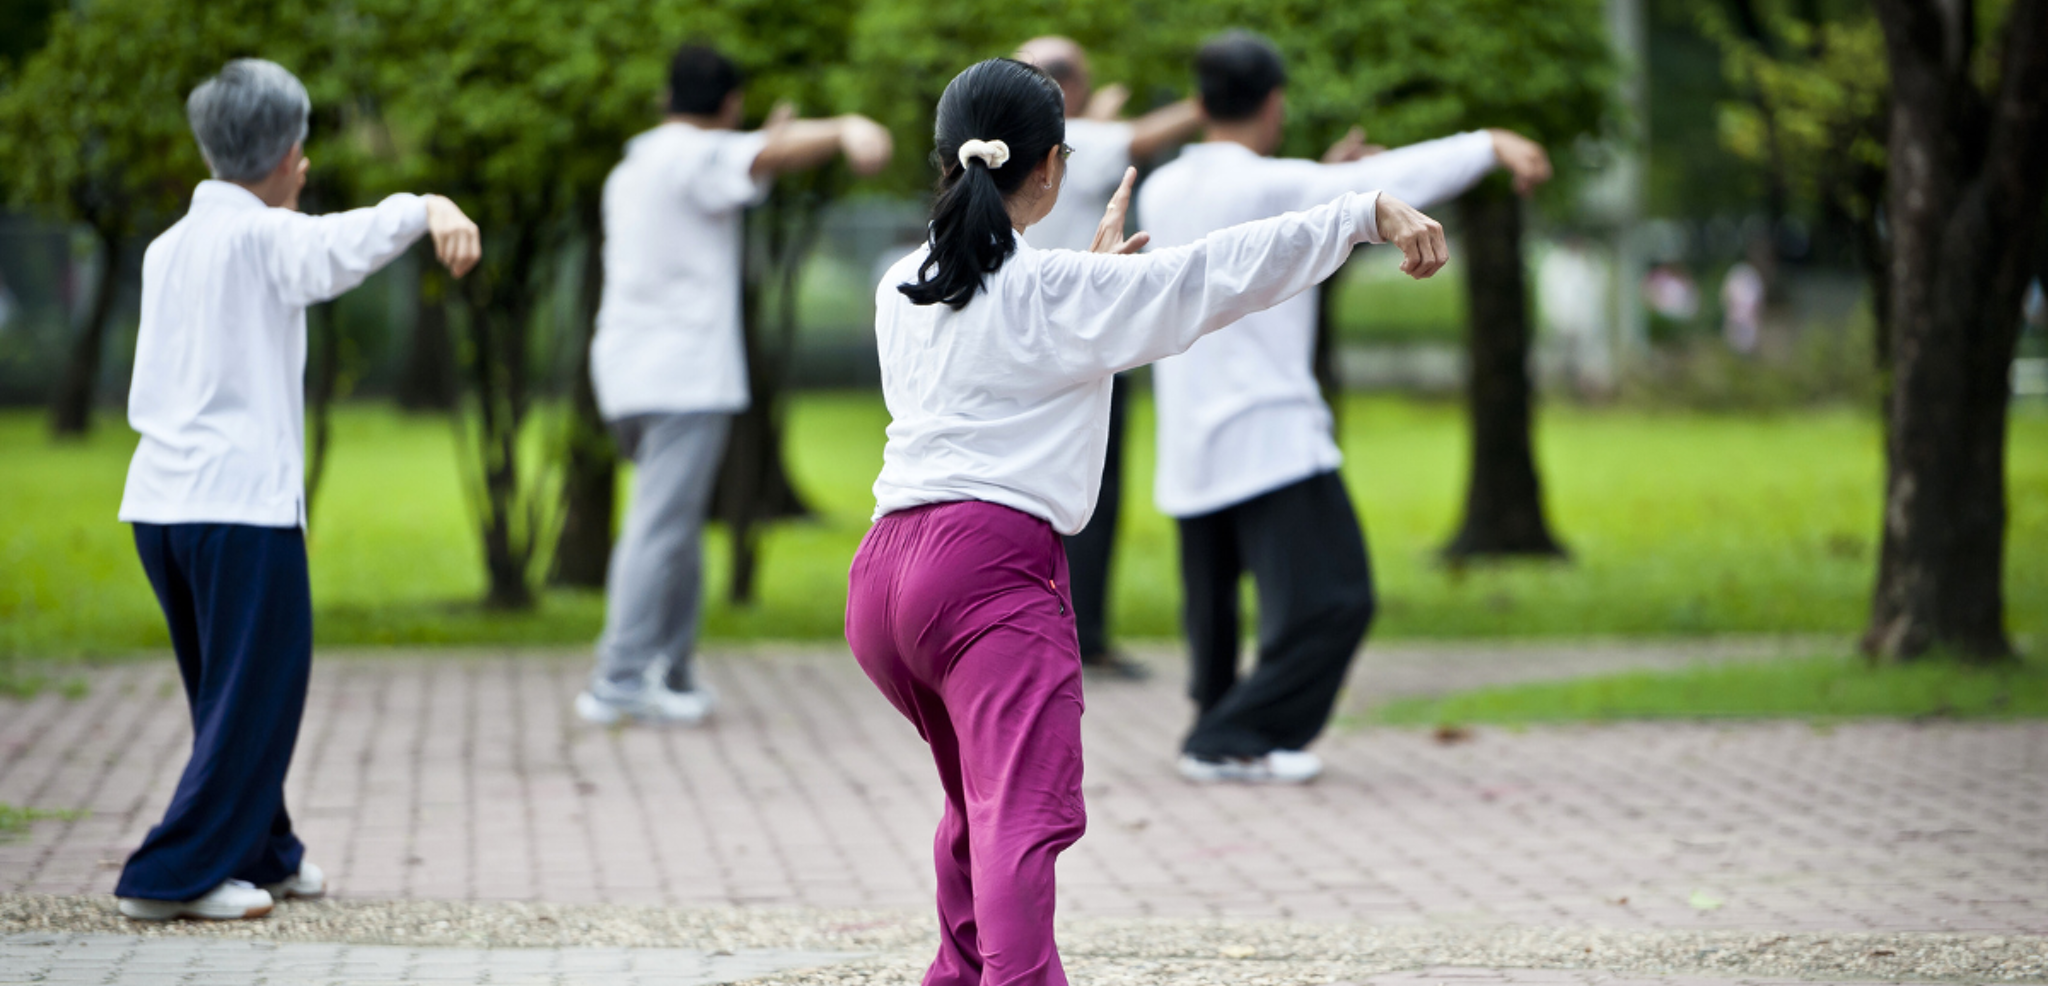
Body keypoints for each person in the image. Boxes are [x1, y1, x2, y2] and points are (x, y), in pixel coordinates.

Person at [847, 57, 1447, 986]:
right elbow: (1217, 276)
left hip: (884, 580)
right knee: (1018, 817)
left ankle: (957, 975)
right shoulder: (1061, 295)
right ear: (1050, 169)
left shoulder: (901, 286)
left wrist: (1093, 284)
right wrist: (1362, 212)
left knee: (974, 804)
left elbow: (1008, 338)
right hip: (986, 576)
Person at [114, 58, 481, 921]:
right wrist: (428, 207)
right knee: (257, 691)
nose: (307, 163)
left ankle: (265, 852)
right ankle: (170, 877)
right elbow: (335, 248)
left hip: (161, 509)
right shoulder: (264, 237)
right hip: (239, 511)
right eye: (304, 145)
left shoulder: (168, 247)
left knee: (228, 691)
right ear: (282, 151)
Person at [1135, 31, 1553, 785]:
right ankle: (1228, 739)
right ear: (1274, 103)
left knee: (1215, 611)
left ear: (1200, 103)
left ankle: (1219, 725)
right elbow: (1397, 178)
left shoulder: (1163, 189)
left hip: (1190, 439)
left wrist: (1321, 180)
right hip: (1269, 433)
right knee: (1337, 600)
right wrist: (1489, 142)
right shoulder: (1274, 184)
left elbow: (1263, 225)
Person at [577, 44, 892, 725]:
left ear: (667, 99)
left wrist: (764, 140)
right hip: (682, 376)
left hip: (627, 372)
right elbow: (755, 158)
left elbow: (751, 158)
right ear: (729, 105)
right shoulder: (699, 154)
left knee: (675, 523)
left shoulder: (636, 164)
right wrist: (843, 129)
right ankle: (619, 678)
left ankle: (671, 670)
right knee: (660, 525)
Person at [1015, 37, 1204, 680]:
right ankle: (1080, 635)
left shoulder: (1007, 144)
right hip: (1085, 346)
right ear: (1066, 88)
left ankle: (1048, 632)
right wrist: (1217, 100)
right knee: (1089, 494)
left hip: (1022, 345)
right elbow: (1142, 139)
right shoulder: (1072, 142)